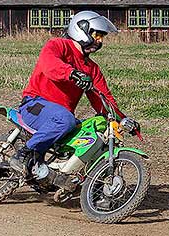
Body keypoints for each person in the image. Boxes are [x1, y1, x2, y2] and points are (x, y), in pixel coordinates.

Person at [10, 11, 140, 175]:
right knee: (66, 120)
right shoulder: (57, 45)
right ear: (82, 30)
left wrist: (123, 119)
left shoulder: (92, 68)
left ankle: (83, 180)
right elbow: (49, 65)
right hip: (34, 105)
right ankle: (24, 154)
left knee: (95, 128)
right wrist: (71, 73)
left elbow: (103, 99)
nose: (99, 41)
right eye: (97, 35)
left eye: (102, 37)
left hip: (61, 116)